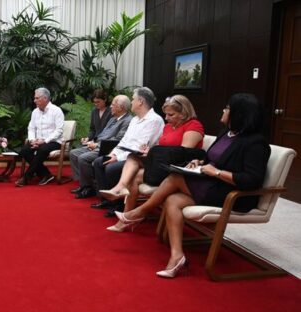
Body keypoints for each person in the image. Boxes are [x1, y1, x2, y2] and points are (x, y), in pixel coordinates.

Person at [115, 93, 270, 278]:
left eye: (227, 108)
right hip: (212, 185)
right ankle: (177, 257)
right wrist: (199, 161)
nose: (223, 110)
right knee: (173, 200)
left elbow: (252, 180)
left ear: (239, 113)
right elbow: (211, 158)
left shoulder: (256, 143)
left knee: (175, 177)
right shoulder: (225, 134)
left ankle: (139, 212)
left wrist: (217, 172)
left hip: (232, 194)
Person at [102, 95, 204, 231]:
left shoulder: (193, 125)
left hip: (176, 169)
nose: (166, 118)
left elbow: (183, 153)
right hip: (162, 166)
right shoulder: (168, 127)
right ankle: (125, 215)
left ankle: (123, 199)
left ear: (183, 113)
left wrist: (155, 153)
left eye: (170, 114)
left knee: (134, 163)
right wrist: (149, 151)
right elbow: (164, 150)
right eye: (165, 114)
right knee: (134, 165)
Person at [91, 87, 165, 214]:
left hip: (141, 158)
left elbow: (139, 147)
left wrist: (118, 157)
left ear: (140, 101)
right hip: (126, 155)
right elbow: (124, 141)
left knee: (111, 168)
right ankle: (108, 200)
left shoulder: (154, 120)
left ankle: (118, 204)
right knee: (99, 162)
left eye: (133, 99)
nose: (131, 102)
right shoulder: (135, 120)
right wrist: (113, 153)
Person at [71, 94, 133, 199]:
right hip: (98, 144)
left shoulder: (127, 121)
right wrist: (91, 141)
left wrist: (97, 144)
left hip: (108, 148)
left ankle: (89, 187)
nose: (110, 107)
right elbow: (102, 134)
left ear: (121, 107)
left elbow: (118, 140)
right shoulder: (113, 118)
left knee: (83, 158)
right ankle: (84, 183)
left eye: (113, 105)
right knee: (73, 153)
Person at [15, 87, 65, 187]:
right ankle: (46, 174)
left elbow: (59, 130)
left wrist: (45, 141)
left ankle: (26, 177)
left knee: (42, 149)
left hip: (54, 142)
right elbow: (31, 128)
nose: (34, 100)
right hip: (38, 142)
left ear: (45, 98)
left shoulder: (56, 111)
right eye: (35, 98)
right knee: (24, 150)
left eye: (37, 98)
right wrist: (33, 140)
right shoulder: (35, 112)